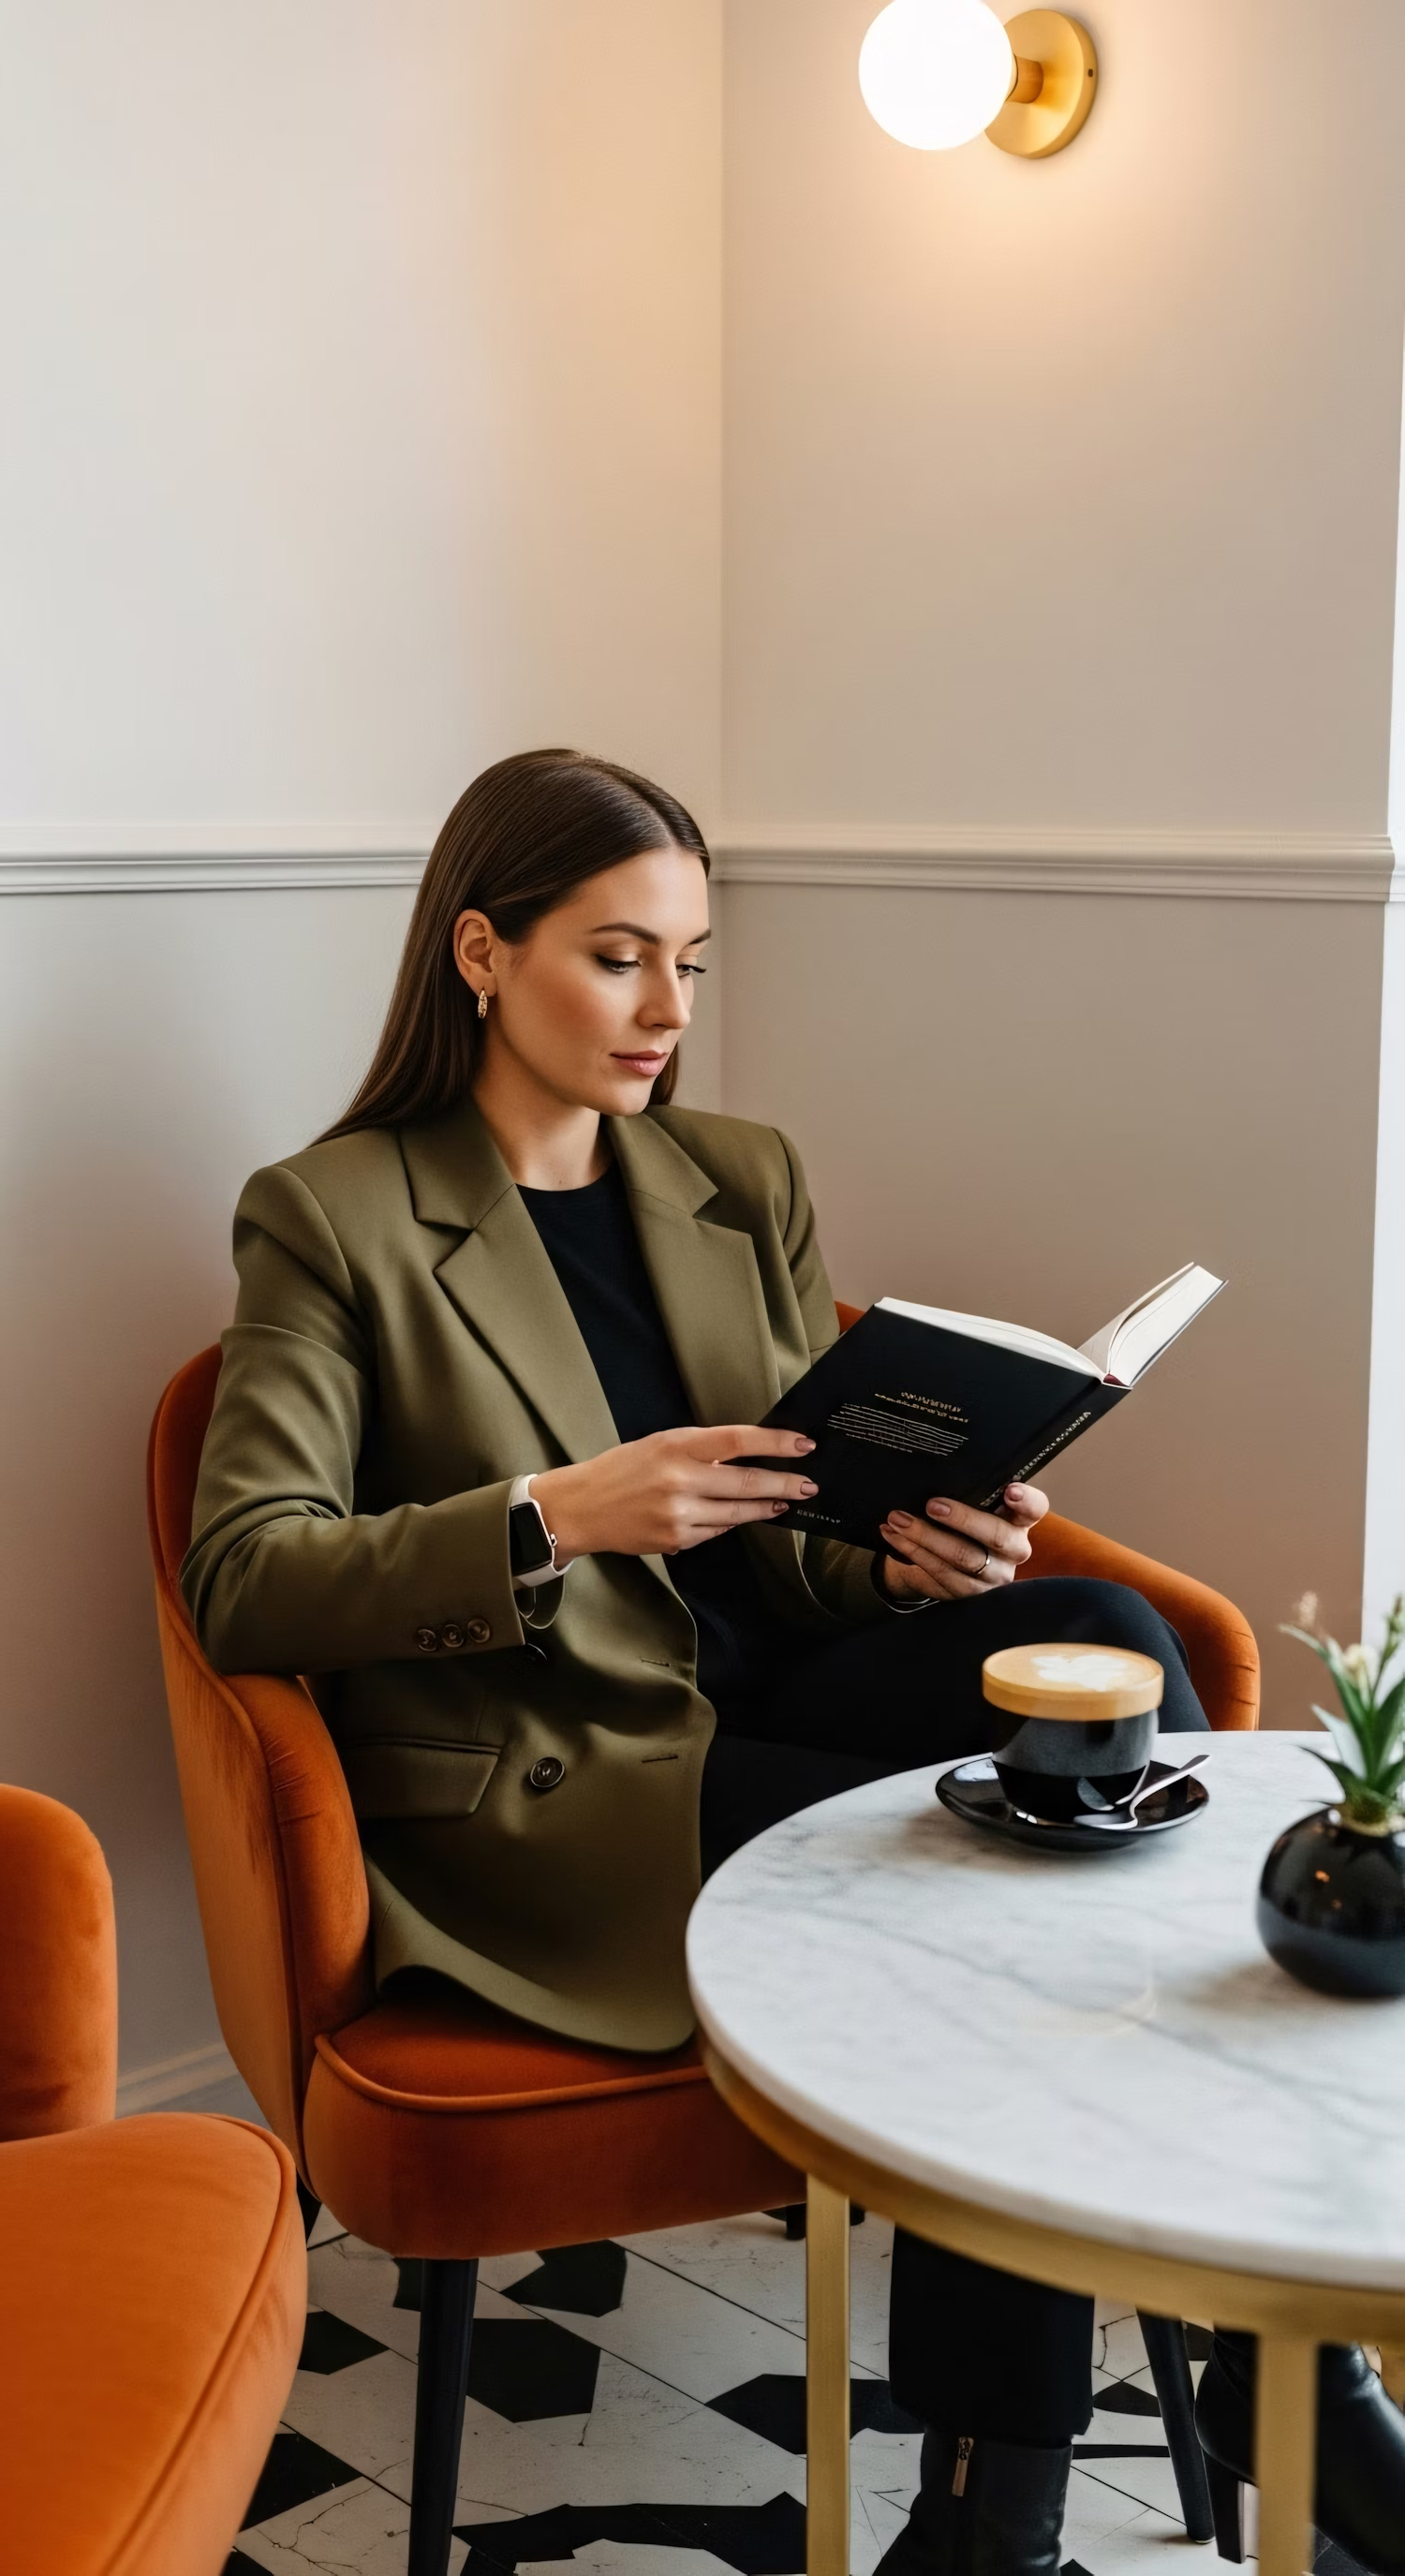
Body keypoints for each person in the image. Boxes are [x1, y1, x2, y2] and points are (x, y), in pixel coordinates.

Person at [184, 749, 1405, 2576]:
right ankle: (1015, 2498)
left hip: (768, 1691)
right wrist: (560, 1514)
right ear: (482, 954)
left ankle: (1230, 2359)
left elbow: (798, 1540)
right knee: (977, 1894)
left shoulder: (736, 1178)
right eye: (618, 957)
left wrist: (914, 1552)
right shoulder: (334, 1213)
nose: (668, 1010)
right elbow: (245, 1578)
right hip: (567, 1770)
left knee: (1113, 1645)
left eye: (693, 960)